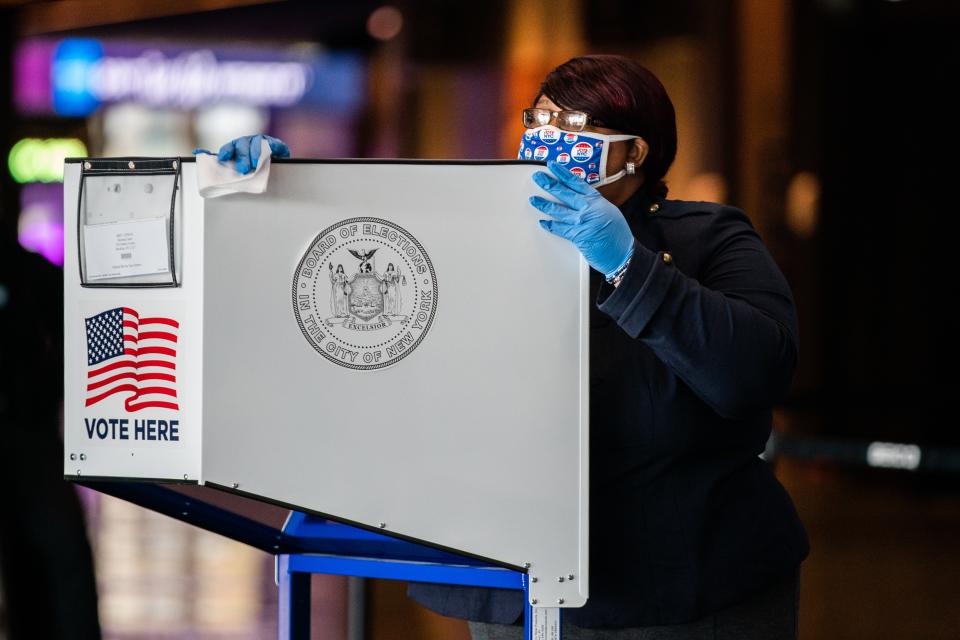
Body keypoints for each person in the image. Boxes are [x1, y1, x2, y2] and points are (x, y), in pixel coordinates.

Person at [200, 53, 809, 639]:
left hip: (688, 583)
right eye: (538, 119)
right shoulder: (476, 231)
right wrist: (275, 203)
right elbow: (357, 296)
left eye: (573, 125)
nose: (548, 136)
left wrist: (628, 265)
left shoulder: (708, 237)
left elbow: (753, 373)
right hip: (511, 575)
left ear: (635, 151)